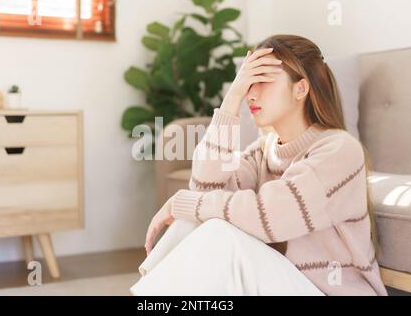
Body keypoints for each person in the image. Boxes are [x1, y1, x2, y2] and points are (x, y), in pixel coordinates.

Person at [130, 34, 388, 296]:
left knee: (218, 231)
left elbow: (273, 215)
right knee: (193, 221)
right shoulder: (264, 150)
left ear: (301, 88)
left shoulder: (339, 150)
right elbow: (204, 189)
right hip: (283, 285)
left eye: (263, 80)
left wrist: (184, 203)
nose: (251, 94)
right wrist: (231, 97)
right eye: (249, 82)